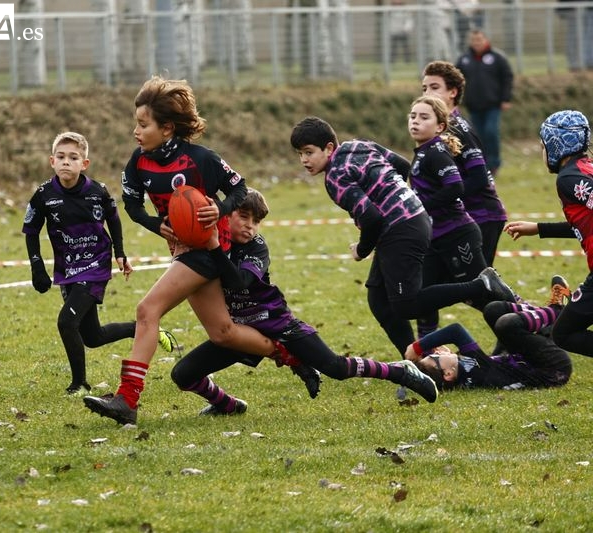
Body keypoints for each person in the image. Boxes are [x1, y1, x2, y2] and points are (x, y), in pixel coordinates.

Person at [84, 76, 311, 425]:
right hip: (184, 252)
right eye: (136, 123)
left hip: (206, 249)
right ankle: (288, 355)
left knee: (147, 310)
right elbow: (130, 205)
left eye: (143, 124)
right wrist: (152, 223)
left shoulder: (201, 159)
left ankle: (127, 400)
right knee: (224, 333)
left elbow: (239, 189)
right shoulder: (139, 161)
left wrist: (218, 211)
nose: (136, 131)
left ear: (167, 128)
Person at [171, 188, 439, 415]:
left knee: (336, 367)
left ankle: (400, 371)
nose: (250, 226)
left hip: (275, 324)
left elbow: (239, 282)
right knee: (182, 375)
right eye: (243, 217)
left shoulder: (256, 247)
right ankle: (228, 406)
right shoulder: (214, 242)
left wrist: (215, 248)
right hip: (239, 331)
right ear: (225, 214)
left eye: (256, 220)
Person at [290, 116, 515, 357]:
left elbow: (371, 219)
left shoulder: (335, 178)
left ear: (329, 148)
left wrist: (361, 250)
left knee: (407, 304)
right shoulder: (360, 145)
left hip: (400, 230)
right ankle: (417, 361)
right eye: (300, 154)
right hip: (414, 217)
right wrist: (391, 193)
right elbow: (402, 166)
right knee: (379, 300)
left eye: (309, 152)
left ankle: (481, 285)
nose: (304, 160)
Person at [22, 131, 177, 395]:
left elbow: (114, 221)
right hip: (67, 269)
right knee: (92, 337)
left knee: (66, 323)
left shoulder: (98, 192)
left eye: (73, 157)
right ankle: (138, 328)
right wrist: (37, 265)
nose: (66, 162)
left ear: (84, 164)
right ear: (51, 161)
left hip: (96, 266)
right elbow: (31, 230)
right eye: (60, 157)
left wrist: (120, 253)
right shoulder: (43, 195)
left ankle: (79, 383)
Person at [504, 109, 593, 358]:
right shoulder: (585, 168)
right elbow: (584, 226)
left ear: (555, 145)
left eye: (543, 145)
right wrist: (539, 229)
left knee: (564, 333)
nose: (542, 152)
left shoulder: (568, 178)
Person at [407, 95, 488, 338]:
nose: (415, 121)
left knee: (485, 294)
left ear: (440, 126)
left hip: (457, 233)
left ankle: (533, 324)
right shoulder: (422, 152)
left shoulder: (435, 152)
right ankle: (428, 351)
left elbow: (455, 187)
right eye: (412, 116)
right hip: (436, 237)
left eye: (423, 117)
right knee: (423, 296)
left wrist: (420, 207)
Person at [405, 276, 573, 390]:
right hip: (555, 368)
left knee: (493, 310)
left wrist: (442, 355)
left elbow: (498, 358)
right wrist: (417, 347)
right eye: (434, 357)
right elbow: (456, 331)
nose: (436, 352)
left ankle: (544, 324)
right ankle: (556, 312)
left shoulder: (467, 374)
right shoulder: (476, 369)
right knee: (506, 325)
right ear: (448, 374)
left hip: (528, 361)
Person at [422, 60, 507, 266]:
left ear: (453, 92)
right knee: (468, 288)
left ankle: (518, 301)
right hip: (461, 218)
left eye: (434, 87)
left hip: (483, 216)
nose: (427, 94)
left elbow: (478, 178)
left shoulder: (458, 129)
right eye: (424, 88)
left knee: (479, 289)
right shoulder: (440, 128)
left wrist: (439, 199)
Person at [455, 29, 513, 176]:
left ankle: (495, 164)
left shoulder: (497, 58)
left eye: (479, 40)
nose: (477, 43)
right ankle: (483, 165)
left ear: (486, 40)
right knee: (477, 136)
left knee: (491, 132)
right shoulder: (464, 60)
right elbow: (455, 80)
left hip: (493, 105)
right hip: (474, 106)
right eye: (474, 40)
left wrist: (506, 98)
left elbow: (507, 78)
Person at [558, 0, 593, 71]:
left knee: (586, 37)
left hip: (586, 9)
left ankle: (586, 63)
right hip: (573, 9)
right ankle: (576, 64)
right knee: (575, 37)